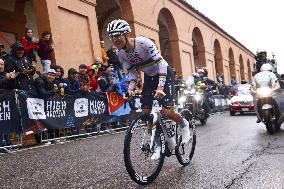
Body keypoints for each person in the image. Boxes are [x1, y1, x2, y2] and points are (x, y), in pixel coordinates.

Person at [107, 19, 190, 160]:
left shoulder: (144, 43)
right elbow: (132, 74)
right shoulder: (121, 54)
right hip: (150, 77)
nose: (115, 40)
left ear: (127, 34)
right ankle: (158, 145)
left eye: (117, 35)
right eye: (112, 37)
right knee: (146, 114)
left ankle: (184, 124)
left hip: (164, 72)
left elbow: (162, 64)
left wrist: (160, 87)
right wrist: (131, 89)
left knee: (166, 111)